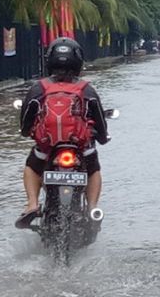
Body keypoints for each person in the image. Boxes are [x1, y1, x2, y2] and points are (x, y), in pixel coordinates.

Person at [15, 38, 110, 227]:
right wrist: (102, 137)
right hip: (81, 148)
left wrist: (27, 132)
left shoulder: (38, 88)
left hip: (47, 147)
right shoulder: (86, 89)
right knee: (94, 169)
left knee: (31, 166)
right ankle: (92, 209)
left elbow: (25, 124)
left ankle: (33, 204)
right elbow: (100, 122)